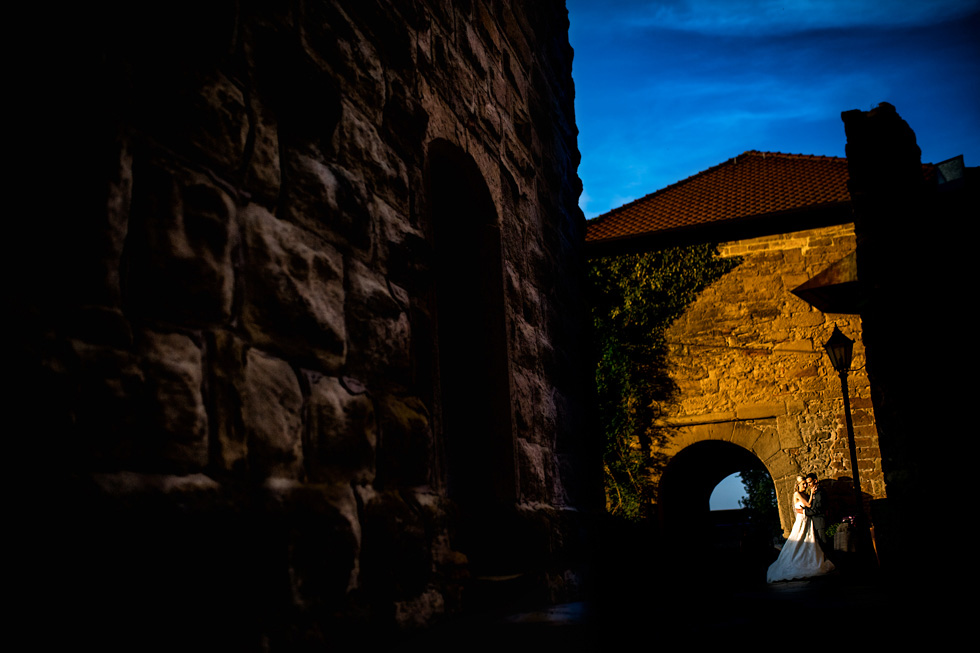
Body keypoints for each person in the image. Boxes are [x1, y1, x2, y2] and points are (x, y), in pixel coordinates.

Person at [766, 475, 835, 583]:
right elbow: (808, 505)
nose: (805, 486)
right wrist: (811, 494)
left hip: (808, 521)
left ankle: (809, 561)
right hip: (801, 521)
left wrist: (810, 495)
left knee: (810, 541)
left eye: (806, 484)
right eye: (803, 484)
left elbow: (810, 506)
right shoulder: (797, 494)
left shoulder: (805, 494)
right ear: (798, 485)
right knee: (799, 541)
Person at [804, 473, 830, 555]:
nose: (808, 485)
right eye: (807, 483)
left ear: (815, 481)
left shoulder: (820, 492)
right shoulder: (814, 492)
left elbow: (818, 509)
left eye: (810, 482)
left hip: (820, 522)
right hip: (816, 523)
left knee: (824, 545)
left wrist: (806, 512)